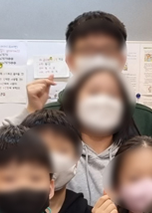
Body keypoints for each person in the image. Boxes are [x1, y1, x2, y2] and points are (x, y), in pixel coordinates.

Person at [15, 11, 152, 151]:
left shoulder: (145, 119)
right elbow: (18, 166)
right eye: (87, 51)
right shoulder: (48, 116)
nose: (98, 60)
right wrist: (30, 113)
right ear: (71, 61)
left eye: (107, 51)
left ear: (121, 60)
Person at [57, 66, 141, 204]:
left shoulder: (138, 156)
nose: (103, 101)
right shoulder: (57, 154)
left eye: (113, 95)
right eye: (94, 92)